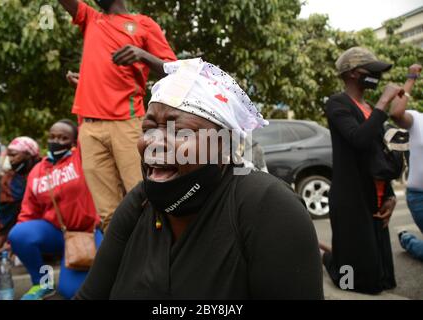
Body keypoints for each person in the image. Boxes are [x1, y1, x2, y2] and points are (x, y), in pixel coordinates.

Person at [75, 59, 323, 300]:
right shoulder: (139, 203)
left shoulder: (266, 204)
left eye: (179, 131)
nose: (153, 142)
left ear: (222, 143)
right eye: (149, 128)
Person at [58, 0, 177, 230]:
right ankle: (123, 264)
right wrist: (85, 84)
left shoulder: (143, 24)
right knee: (108, 214)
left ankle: (159, 259)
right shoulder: (92, 19)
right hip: (90, 129)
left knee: (145, 199)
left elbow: (174, 70)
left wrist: (141, 54)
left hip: (128, 123)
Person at [322, 47, 404, 294]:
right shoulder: (337, 103)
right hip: (351, 198)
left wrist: (389, 195)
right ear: (354, 74)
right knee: (356, 284)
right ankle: (330, 262)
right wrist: (384, 102)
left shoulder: (369, 107)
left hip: (375, 195)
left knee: (383, 279)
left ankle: (337, 254)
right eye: (372, 72)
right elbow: (358, 139)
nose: (377, 77)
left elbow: (377, 154)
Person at [8, 119, 102, 300]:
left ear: (74, 142)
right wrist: (18, 245)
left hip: (90, 232)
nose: (56, 141)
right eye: (52, 137)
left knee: (74, 292)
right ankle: (43, 283)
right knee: (19, 233)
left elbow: (86, 126)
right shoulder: (37, 170)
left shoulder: (81, 158)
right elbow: (29, 211)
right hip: (59, 234)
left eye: (62, 138)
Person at [0, 137, 41, 269]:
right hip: (11, 218)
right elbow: (5, 203)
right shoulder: (10, 178)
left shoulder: (42, 171)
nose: (11, 159)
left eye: (14, 155)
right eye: (9, 155)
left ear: (28, 155)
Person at [389, 63, 423, 261]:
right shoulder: (417, 120)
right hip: (420, 198)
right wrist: (411, 78)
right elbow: (395, 113)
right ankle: (409, 240)